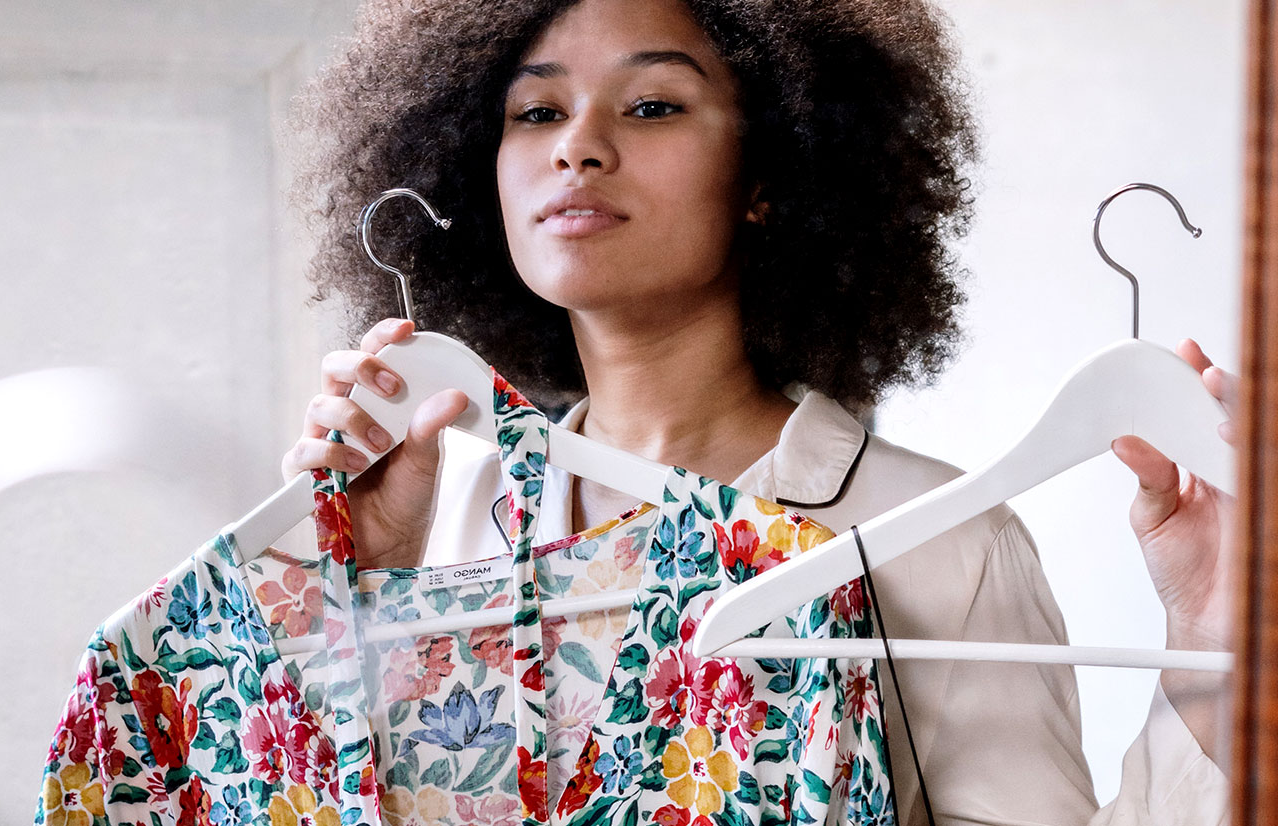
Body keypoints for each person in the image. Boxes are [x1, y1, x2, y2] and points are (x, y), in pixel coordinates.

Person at [284, 0, 1237, 823]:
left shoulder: (940, 543)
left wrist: (1204, 650)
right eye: (536, 111)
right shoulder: (440, 520)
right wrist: (350, 583)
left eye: (652, 104)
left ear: (766, 179)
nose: (576, 145)